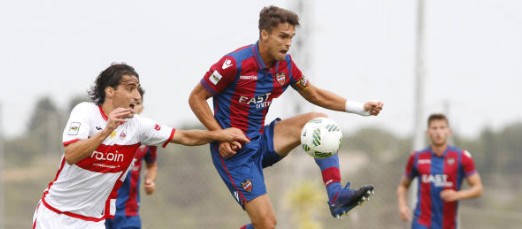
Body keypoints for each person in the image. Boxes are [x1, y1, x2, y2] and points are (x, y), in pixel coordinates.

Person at [189, 5, 383, 228]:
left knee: (320, 123)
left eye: (291, 37)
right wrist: (220, 136)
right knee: (267, 225)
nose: (288, 43)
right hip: (234, 154)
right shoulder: (234, 64)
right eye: (282, 36)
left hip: (261, 140)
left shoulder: (286, 66)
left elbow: (315, 94)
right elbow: (196, 98)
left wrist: (361, 108)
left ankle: (336, 195)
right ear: (264, 34)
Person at [32, 63, 249, 229]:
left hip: (93, 221)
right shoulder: (85, 112)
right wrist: (107, 131)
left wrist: (219, 134)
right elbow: (71, 154)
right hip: (55, 215)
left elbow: (184, 136)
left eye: (138, 89)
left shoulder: (138, 127)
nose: (136, 95)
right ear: (110, 91)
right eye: (130, 88)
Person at [396, 113, 483, 229]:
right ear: (428, 132)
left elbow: (478, 189)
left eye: (442, 128)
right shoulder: (417, 157)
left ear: (449, 131)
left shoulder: (461, 157)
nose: (438, 132)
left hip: (448, 225)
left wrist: (458, 195)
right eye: (434, 128)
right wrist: (402, 206)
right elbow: (402, 186)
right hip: (421, 223)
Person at [105, 87, 158, 229]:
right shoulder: (105, 130)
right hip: (99, 208)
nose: (133, 108)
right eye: (130, 104)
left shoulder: (146, 136)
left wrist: (150, 181)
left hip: (127, 212)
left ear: (141, 107)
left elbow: (151, 165)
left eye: (137, 104)